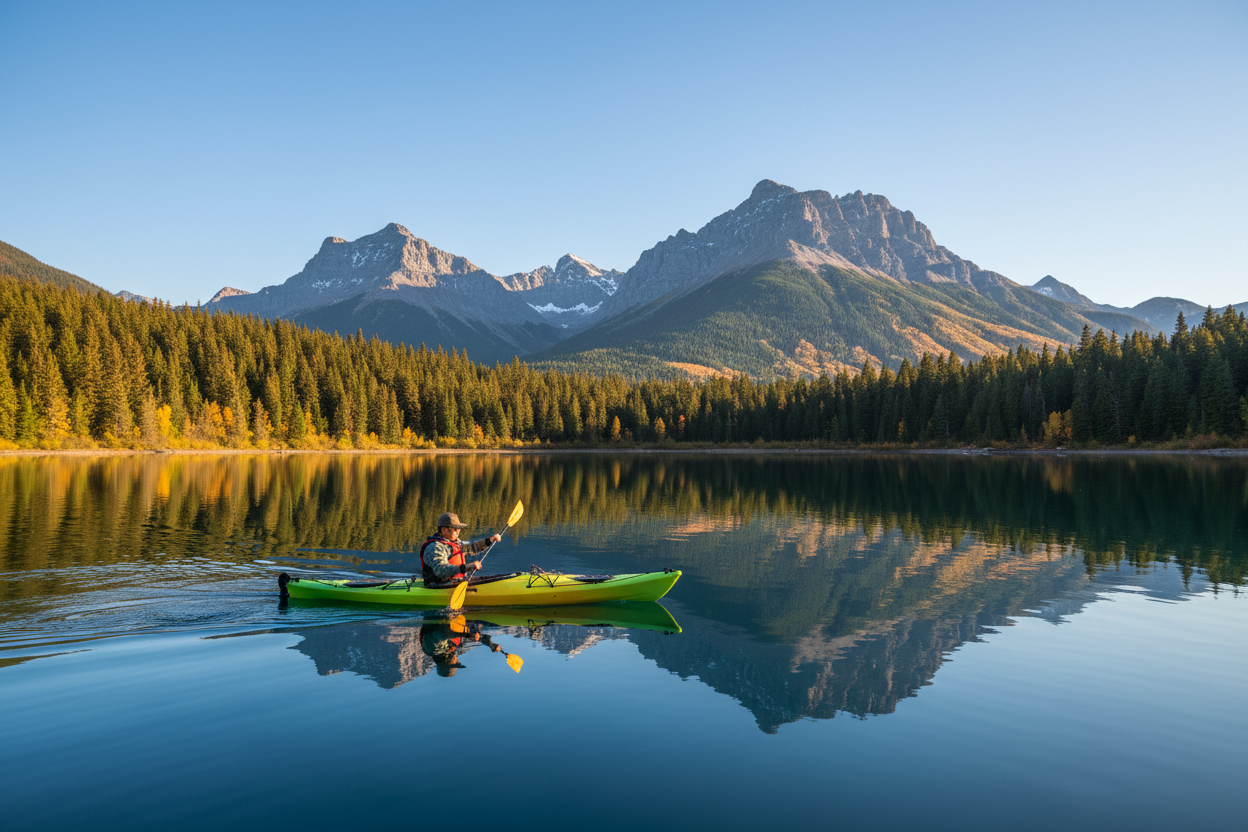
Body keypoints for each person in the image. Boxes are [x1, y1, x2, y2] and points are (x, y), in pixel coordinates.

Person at [419, 511, 501, 588]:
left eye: (459, 528)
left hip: (455, 582)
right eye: (455, 528)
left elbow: (472, 547)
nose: (458, 531)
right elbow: (441, 570)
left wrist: (490, 540)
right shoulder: (435, 547)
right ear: (443, 530)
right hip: (438, 586)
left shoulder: (456, 543)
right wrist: (465, 567)